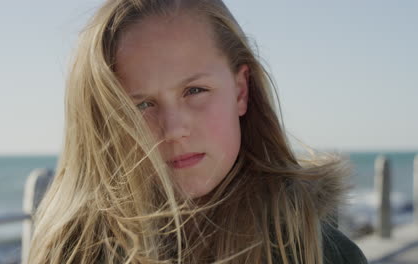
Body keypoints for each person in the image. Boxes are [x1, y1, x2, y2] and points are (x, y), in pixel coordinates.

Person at [27, 0, 368, 263]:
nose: (173, 130)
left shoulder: (316, 252)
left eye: (195, 91)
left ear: (240, 92)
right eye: (142, 106)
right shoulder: (72, 252)